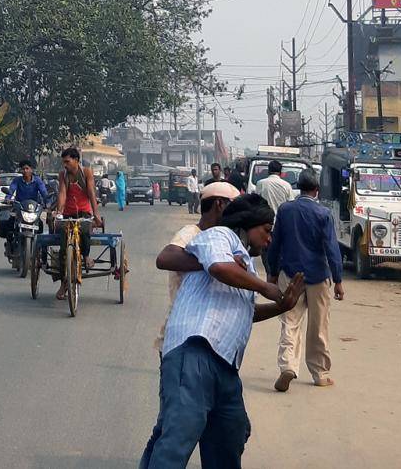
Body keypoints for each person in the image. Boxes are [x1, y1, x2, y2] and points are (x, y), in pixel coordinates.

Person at [139, 194, 305, 469]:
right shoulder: (219, 236)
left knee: (231, 438)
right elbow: (217, 267)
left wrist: (283, 306)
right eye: (266, 231)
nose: (269, 239)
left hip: (225, 364)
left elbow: (246, 313)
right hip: (194, 350)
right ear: (247, 224)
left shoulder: (245, 267)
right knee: (177, 440)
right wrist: (266, 288)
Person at [264, 169, 344, 392]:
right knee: (319, 326)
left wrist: (271, 272)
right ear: (316, 191)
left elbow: (275, 243)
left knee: (290, 321)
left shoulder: (286, 210)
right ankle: (320, 373)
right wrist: (338, 280)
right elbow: (331, 248)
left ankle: (288, 365)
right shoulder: (323, 213)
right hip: (318, 276)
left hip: (291, 275)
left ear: (298, 188)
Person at [154, 181, 241, 353]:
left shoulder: (225, 238)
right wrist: (212, 263)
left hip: (211, 335)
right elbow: (164, 259)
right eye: (234, 207)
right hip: (183, 334)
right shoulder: (191, 233)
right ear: (219, 204)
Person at [34, 148, 102, 300]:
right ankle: (64, 282)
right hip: (68, 214)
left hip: (84, 213)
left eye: (67, 162)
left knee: (84, 230)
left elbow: (91, 193)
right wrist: (59, 212)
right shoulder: (63, 175)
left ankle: (85, 256)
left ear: (76, 160)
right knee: (64, 238)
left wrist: (96, 215)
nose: (65, 165)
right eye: (63, 162)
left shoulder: (87, 173)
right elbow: (62, 193)